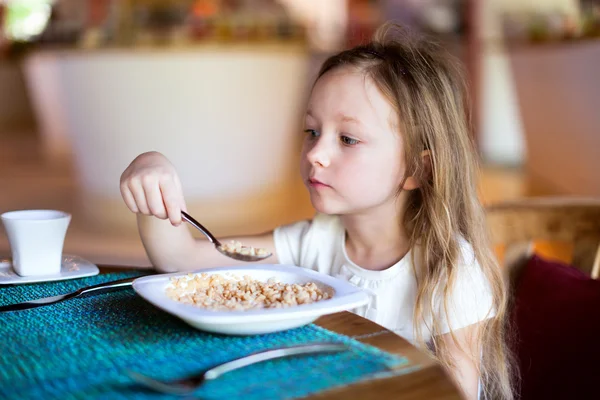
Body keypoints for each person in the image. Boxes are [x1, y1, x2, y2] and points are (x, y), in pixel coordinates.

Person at [120, 24, 515, 399]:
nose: (316, 154)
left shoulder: (450, 272)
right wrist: (152, 174)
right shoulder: (315, 243)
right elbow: (182, 260)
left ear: (417, 168)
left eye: (347, 138)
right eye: (312, 131)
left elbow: (454, 394)